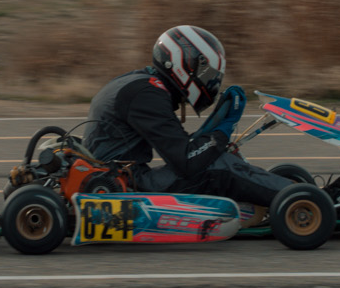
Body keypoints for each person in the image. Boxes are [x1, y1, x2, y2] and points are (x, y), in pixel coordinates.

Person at [85, 24, 319, 208]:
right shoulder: (146, 94)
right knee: (221, 167)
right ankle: (312, 201)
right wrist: (222, 130)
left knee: (220, 157)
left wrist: (215, 132)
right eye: (204, 72)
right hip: (122, 187)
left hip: (118, 177)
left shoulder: (141, 83)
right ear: (182, 65)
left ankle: (292, 192)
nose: (209, 81)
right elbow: (187, 162)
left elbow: (183, 150)